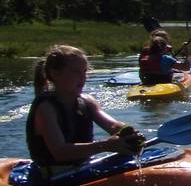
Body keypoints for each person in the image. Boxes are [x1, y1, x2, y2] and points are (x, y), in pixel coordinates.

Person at [27, 45, 145, 177]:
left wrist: (129, 132)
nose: (82, 77)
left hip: (83, 168)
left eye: (84, 72)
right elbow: (60, 152)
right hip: (53, 176)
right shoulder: (46, 109)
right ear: (55, 74)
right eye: (76, 72)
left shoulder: (87, 101)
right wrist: (105, 146)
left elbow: (111, 125)